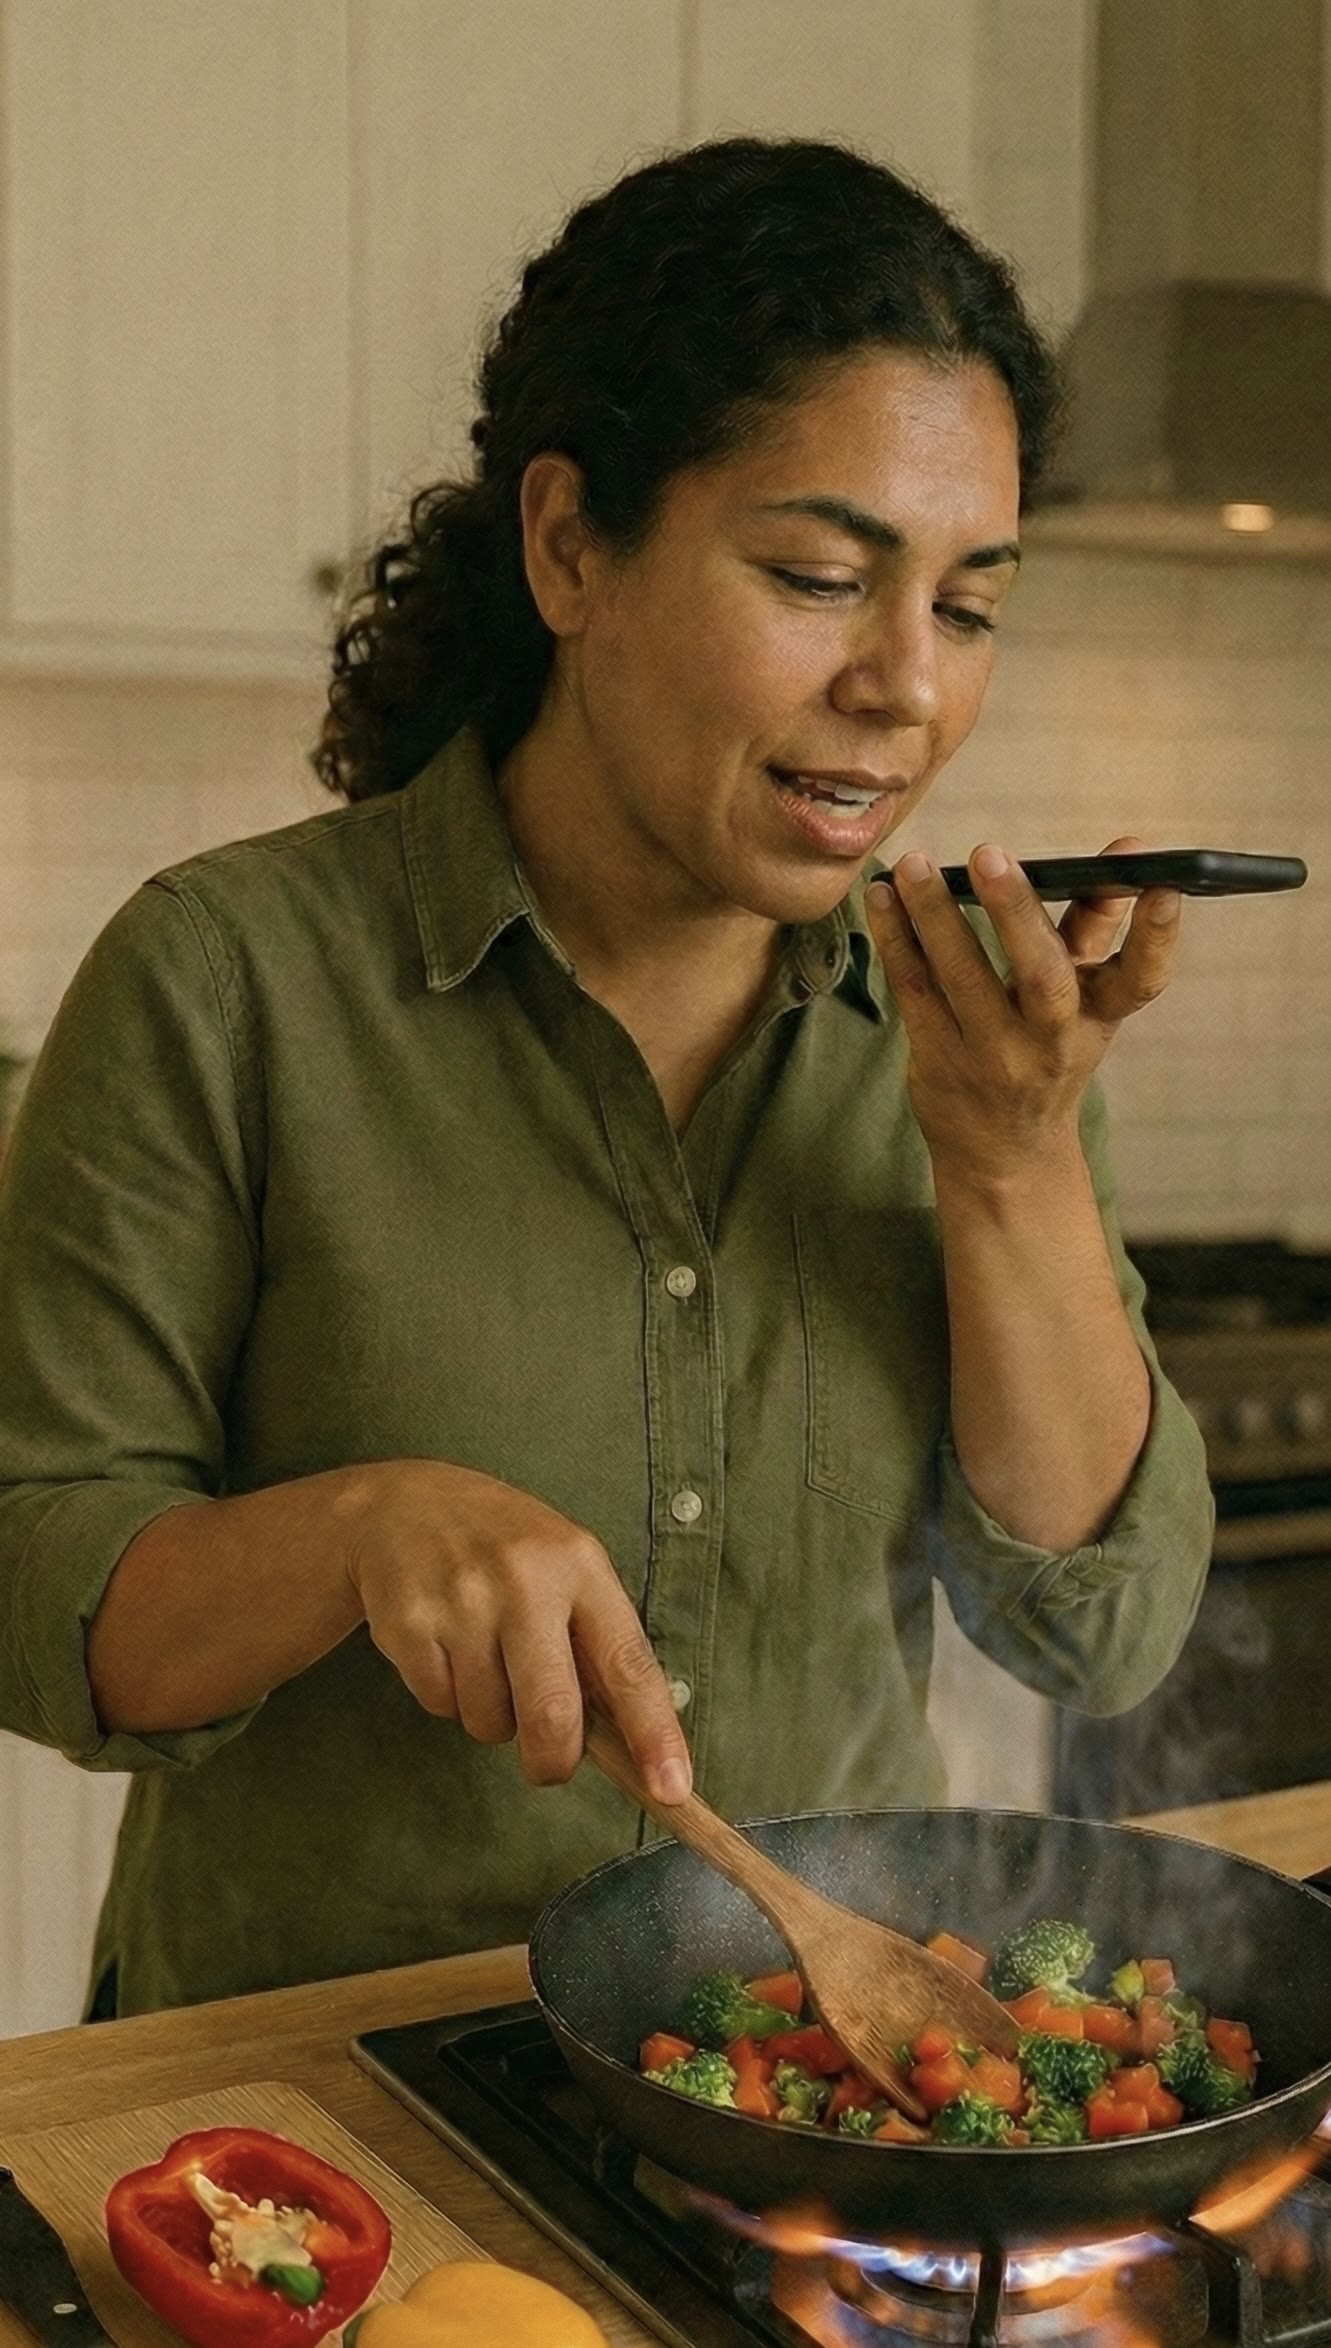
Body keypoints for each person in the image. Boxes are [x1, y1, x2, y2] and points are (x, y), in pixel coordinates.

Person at [0, 137, 1212, 2020]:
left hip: (800, 2094)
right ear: (571, 546)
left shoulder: (974, 1036)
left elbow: (1099, 1633)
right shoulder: (227, 983)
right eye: (821, 576)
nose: (907, 684)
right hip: (321, 2128)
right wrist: (352, 1528)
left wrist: (1013, 1161)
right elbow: (38, 1589)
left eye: (970, 604)